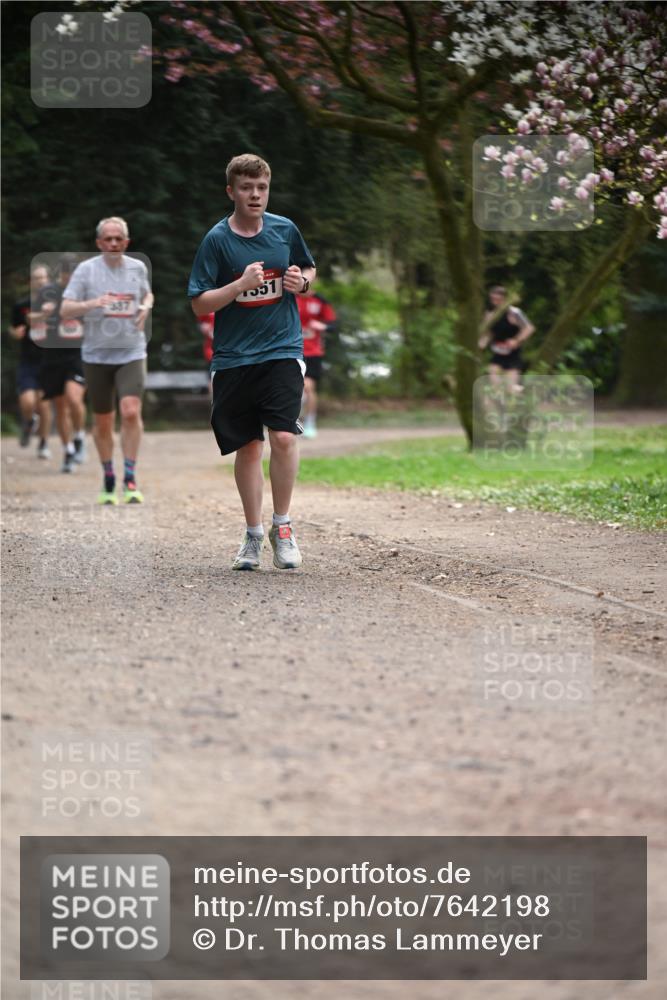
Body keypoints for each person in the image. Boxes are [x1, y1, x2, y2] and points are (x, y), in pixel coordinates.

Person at [188, 153, 316, 571]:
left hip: (282, 350)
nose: (255, 194)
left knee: (283, 437)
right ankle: (252, 534)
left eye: (261, 187)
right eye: (246, 187)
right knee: (248, 446)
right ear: (232, 191)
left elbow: (308, 270)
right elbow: (199, 303)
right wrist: (239, 284)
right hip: (233, 358)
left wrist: (303, 282)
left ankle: (283, 527)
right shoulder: (217, 241)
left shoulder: (284, 229)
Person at [60, 217, 153, 504]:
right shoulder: (86, 271)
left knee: (129, 411)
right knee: (103, 422)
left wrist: (145, 307)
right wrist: (93, 303)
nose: (113, 243)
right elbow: (65, 309)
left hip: (131, 351)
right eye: (108, 239)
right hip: (96, 354)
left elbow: (148, 294)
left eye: (118, 239)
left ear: (127, 242)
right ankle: (108, 475)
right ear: (99, 242)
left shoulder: (137, 267)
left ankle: (130, 476)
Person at [32, 254, 87, 474]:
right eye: (66, 273)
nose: (70, 277)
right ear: (61, 275)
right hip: (53, 356)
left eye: (74, 273)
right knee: (60, 407)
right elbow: (32, 319)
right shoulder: (48, 292)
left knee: (74, 398)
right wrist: (41, 315)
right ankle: (68, 451)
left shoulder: (85, 292)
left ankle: (80, 435)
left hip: (78, 354)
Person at [9, 265, 52, 457]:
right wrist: (15, 333)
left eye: (43, 278)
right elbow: (14, 328)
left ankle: (43, 443)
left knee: (44, 405)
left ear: (48, 280)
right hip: (28, 360)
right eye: (36, 278)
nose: (40, 281)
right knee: (27, 402)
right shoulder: (21, 306)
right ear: (30, 282)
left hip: (49, 361)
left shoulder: (57, 304)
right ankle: (28, 422)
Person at [478, 285, 535, 390]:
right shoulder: (489, 314)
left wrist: (516, 340)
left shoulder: (514, 312)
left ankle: (521, 398)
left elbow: (529, 328)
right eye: (493, 299)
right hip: (497, 354)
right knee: (495, 385)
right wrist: (482, 343)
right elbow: (489, 333)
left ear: (504, 299)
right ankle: (499, 404)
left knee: (511, 388)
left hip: (513, 355)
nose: (495, 302)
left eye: (498, 299)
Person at [297, 287, 336, 438]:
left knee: (308, 388)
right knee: (294, 390)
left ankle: (310, 423)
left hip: (313, 352)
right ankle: (292, 422)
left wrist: (323, 326)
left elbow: (333, 324)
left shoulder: (320, 301)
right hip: (291, 351)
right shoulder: (289, 299)